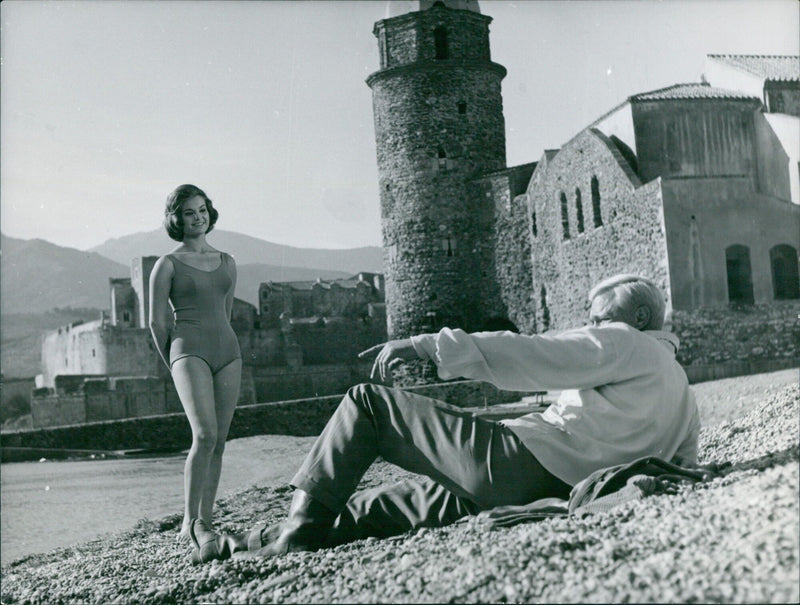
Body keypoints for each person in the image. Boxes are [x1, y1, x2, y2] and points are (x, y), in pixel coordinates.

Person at [189, 274, 699, 563]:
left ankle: (293, 538)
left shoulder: (627, 341)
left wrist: (427, 346)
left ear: (637, 319)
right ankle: (255, 542)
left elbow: (537, 352)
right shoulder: (682, 394)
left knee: (368, 402)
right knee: (380, 507)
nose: (590, 327)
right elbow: (680, 467)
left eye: (598, 318)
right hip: (546, 489)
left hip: (521, 467)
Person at [149, 184, 242, 542]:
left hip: (228, 352)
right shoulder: (166, 264)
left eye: (202, 210)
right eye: (189, 212)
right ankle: (189, 523)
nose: (198, 217)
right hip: (188, 352)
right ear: (177, 219)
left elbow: (227, 312)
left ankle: (207, 519)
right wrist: (174, 361)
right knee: (203, 435)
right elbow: (158, 323)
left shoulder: (228, 261)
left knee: (219, 440)